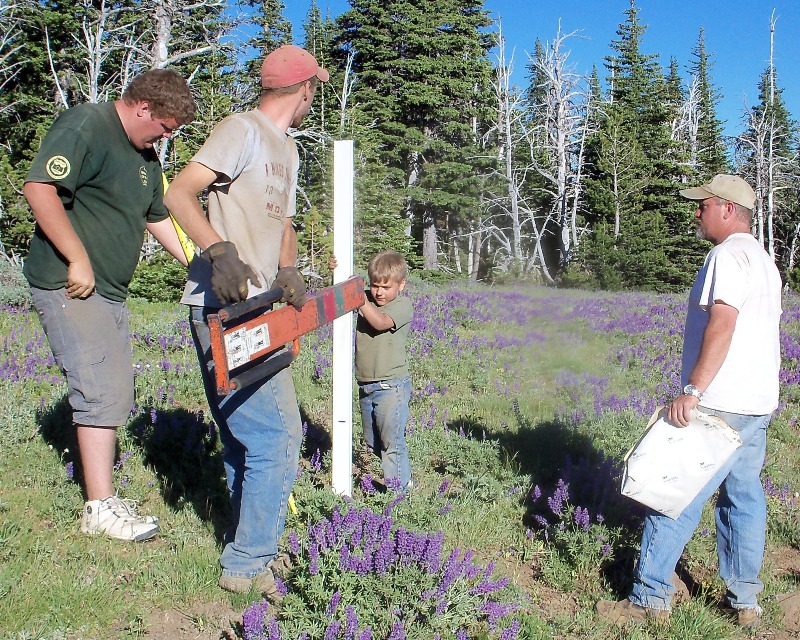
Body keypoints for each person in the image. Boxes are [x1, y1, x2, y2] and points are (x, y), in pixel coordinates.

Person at [163, 45, 328, 599]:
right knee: (279, 435)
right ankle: (248, 563)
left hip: (260, 305)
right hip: (224, 306)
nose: (312, 99)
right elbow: (179, 193)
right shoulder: (243, 130)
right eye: (314, 91)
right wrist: (219, 251)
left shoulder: (288, 148)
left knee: (243, 434)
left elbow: (283, 219)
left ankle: (243, 540)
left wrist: (288, 267)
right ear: (304, 89)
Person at [596, 174, 782, 628]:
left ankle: (648, 599)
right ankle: (745, 602)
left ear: (726, 208)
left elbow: (723, 324)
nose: (696, 213)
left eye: (702, 205)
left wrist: (693, 391)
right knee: (743, 496)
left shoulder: (726, 255)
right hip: (756, 402)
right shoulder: (764, 260)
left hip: (719, 400)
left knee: (673, 492)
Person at [22, 69, 197, 542]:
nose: (166, 136)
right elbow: (39, 189)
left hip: (110, 290)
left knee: (115, 387)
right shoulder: (87, 125)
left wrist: (197, 265)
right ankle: (98, 509)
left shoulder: (145, 156)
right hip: (71, 283)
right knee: (99, 388)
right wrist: (76, 257)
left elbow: (157, 217)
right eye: (165, 126)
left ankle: (104, 498)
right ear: (142, 107)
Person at [355, 250, 414, 493]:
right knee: (374, 442)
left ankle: (400, 493)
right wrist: (335, 270)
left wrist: (358, 299)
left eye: (386, 287)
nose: (379, 292)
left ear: (401, 285)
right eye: (375, 286)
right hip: (366, 385)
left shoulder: (402, 305)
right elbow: (343, 292)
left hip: (392, 386)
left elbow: (379, 322)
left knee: (392, 442)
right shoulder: (366, 297)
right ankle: (398, 480)